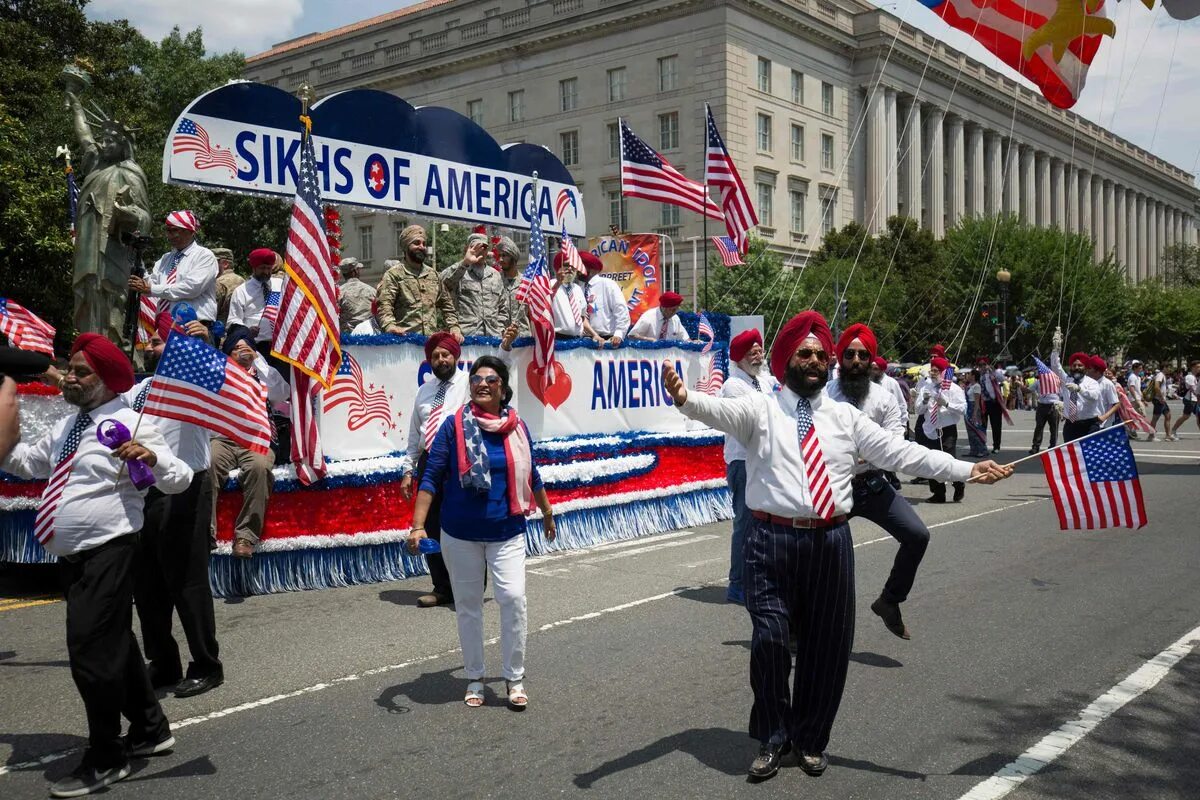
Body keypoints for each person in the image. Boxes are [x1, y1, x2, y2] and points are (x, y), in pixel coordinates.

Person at [661, 311, 1011, 782]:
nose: (812, 360)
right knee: (768, 641)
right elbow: (718, 411)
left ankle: (808, 739)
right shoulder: (760, 409)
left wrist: (967, 469)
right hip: (770, 541)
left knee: (825, 650)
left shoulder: (846, 417)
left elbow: (902, 453)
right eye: (803, 353)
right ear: (786, 359)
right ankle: (772, 735)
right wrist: (685, 399)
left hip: (829, 542)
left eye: (819, 355)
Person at [3, 333, 193, 798]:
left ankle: (107, 757)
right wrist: (5, 443)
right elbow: (32, 463)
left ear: (106, 381)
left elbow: (179, 477)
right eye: (69, 367)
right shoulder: (70, 425)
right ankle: (150, 728)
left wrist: (149, 456)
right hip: (74, 558)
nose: (68, 376)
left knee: (91, 652)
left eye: (80, 372)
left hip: (110, 550)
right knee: (116, 646)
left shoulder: (131, 421)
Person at [407, 355, 556, 709]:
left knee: (513, 599)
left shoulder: (518, 427)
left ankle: (514, 677)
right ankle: (475, 677)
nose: (482, 383)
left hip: (507, 531)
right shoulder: (453, 427)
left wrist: (548, 512)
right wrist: (416, 525)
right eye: (476, 378)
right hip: (460, 534)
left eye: (491, 379)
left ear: (502, 389)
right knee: (469, 607)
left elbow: (532, 474)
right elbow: (430, 478)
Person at [112, 314, 224, 698]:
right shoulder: (138, 389)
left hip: (186, 487)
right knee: (147, 584)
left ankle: (207, 664)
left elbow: (220, 379)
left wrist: (205, 344)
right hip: (143, 492)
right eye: (153, 342)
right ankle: (163, 661)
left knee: (187, 581)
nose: (155, 347)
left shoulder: (194, 380)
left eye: (162, 341)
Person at [827, 324, 931, 639]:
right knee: (814, 555)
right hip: (832, 487)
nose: (856, 360)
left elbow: (896, 442)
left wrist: (869, 458)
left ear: (871, 359)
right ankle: (795, 626)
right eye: (850, 354)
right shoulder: (825, 394)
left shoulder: (885, 398)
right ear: (840, 358)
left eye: (863, 354)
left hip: (872, 485)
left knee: (917, 535)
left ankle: (890, 600)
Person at [400, 332, 470, 608]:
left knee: (463, 524)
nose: (440, 360)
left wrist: (504, 346)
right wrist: (408, 471)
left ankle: (468, 587)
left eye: (445, 355)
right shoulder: (424, 390)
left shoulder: (469, 382)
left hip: (459, 461)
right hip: (430, 462)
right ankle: (441, 588)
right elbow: (415, 434)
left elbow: (501, 366)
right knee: (431, 525)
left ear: (455, 356)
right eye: (435, 356)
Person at [209, 329, 288, 558]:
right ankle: (206, 531)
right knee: (209, 465)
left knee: (259, 468)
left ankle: (246, 536)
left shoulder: (262, 373)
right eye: (236, 348)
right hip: (223, 437)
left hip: (256, 437)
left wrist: (258, 362)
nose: (241, 352)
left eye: (246, 348)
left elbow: (281, 394)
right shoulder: (218, 373)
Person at [719, 329, 777, 605]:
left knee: (764, 524)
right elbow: (746, 423)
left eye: (759, 349)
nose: (758, 354)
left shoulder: (762, 382)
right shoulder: (733, 386)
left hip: (764, 459)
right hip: (743, 461)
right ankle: (737, 583)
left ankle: (757, 578)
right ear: (740, 357)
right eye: (752, 351)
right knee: (744, 523)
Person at [376, 225, 462, 340]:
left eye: (424, 244)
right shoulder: (394, 274)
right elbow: (384, 305)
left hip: (430, 342)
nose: (421, 247)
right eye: (416, 243)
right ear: (406, 247)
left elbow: (447, 305)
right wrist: (390, 325)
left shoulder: (433, 275)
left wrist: (454, 327)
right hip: (403, 342)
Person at [131, 211, 218, 324]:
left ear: (190, 232)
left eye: (175, 230)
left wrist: (151, 289)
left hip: (194, 325)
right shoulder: (166, 258)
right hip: (165, 324)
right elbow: (150, 286)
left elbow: (191, 288)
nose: (170, 235)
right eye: (168, 230)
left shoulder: (204, 256)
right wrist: (135, 252)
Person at [915, 357, 968, 503]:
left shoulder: (953, 389)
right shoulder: (926, 387)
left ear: (943, 372)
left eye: (936, 370)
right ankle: (938, 493)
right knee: (931, 462)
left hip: (947, 430)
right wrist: (924, 401)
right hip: (929, 428)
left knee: (948, 462)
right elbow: (918, 410)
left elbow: (963, 409)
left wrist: (947, 403)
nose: (932, 373)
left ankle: (958, 484)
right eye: (931, 370)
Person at [441, 233, 506, 337]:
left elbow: (503, 306)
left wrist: (500, 329)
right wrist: (465, 263)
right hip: (466, 335)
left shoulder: (495, 275)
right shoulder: (461, 270)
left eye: (484, 247)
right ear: (468, 249)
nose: (480, 250)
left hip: (492, 336)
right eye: (475, 247)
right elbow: (442, 284)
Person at [227, 248, 283, 353]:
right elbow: (233, 321)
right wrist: (247, 330)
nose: (266, 272)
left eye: (268, 268)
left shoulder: (280, 285)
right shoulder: (241, 291)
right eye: (262, 268)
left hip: (280, 346)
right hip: (255, 346)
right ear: (254, 268)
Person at [1051, 349, 1103, 442]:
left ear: (1086, 368)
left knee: (1089, 453)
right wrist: (1055, 350)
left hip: (1089, 425)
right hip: (1071, 425)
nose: (1076, 367)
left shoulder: (1092, 382)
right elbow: (1055, 367)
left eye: (1080, 365)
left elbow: (1094, 396)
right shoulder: (1066, 379)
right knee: (1071, 454)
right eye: (1074, 365)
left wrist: (1079, 389)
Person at [579, 252, 630, 346]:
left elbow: (621, 310)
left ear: (591, 269)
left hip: (608, 340)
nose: (577, 271)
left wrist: (619, 334)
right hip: (585, 340)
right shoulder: (580, 289)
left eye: (581, 267)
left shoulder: (607, 284)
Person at [548, 252, 601, 340]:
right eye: (566, 265)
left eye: (573, 266)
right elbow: (544, 303)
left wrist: (595, 334)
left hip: (577, 340)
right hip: (557, 339)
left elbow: (581, 318)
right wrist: (558, 283)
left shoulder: (577, 289)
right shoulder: (550, 284)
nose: (570, 268)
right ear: (558, 268)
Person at [494, 236, 530, 339]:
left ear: (513, 258)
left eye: (504, 256)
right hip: (501, 337)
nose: (500, 260)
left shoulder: (526, 283)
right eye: (499, 256)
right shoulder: (494, 280)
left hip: (523, 339)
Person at [337, 257, 377, 334]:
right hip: (368, 336)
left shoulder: (339, 293)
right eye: (358, 269)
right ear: (355, 271)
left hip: (346, 339)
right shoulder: (371, 291)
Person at [1029, 365, 1062, 454]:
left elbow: (1062, 394)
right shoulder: (1038, 382)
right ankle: (1035, 447)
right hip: (1042, 405)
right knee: (1039, 427)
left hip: (1054, 406)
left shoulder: (1057, 381)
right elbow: (1029, 390)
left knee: (1054, 428)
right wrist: (1020, 385)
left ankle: (1052, 447)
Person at [976, 356, 1005, 452]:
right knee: (982, 425)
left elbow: (1002, 379)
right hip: (983, 403)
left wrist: (993, 371)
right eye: (980, 365)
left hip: (994, 402)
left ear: (987, 365)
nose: (982, 367)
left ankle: (996, 446)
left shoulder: (992, 374)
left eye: (984, 364)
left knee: (996, 425)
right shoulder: (978, 376)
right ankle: (982, 446)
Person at [1145, 361, 1176, 441]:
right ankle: (1151, 436)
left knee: (1168, 415)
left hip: (1161, 399)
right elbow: (1156, 387)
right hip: (1159, 400)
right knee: (1155, 418)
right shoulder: (1160, 375)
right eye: (1169, 367)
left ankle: (1168, 435)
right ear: (1164, 368)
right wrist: (1161, 397)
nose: (1170, 369)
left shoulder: (1162, 375)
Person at [212, 248, 243, 325]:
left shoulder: (218, 283)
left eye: (212, 262)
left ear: (225, 264)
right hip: (238, 329)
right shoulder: (243, 281)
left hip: (219, 331)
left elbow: (211, 312)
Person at [1169, 360, 1200, 439]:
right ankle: (1173, 430)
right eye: (1197, 367)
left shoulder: (1195, 376)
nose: (1199, 368)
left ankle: (1173, 430)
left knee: (1198, 416)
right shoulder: (1190, 377)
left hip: (1195, 399)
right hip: (1190, 400)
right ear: (1192, 368)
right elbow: (1194, 389)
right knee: (1186, 416)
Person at [963, 370, 991, 457]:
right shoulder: (970, 386)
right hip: (968, 408)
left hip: (974, 408)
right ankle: (973, 450)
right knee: (970, 431)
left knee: (977, 430)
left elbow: (977, 401)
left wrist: (975, 413)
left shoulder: (977, 386)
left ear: (974, 376)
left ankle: (982, 450)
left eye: (970, 374)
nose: (968, 375)